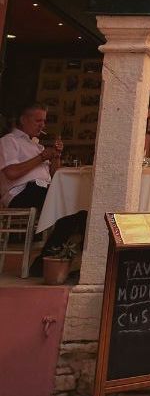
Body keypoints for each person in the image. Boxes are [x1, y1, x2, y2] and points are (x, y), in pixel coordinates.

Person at [0, 102, 86, 276]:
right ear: (24, 120)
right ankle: (46, 261)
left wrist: (55, 156)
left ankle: (55, 260)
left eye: (44, 121)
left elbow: (54, 175)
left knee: (80, 206)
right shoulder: (9, 141)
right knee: (69, 206)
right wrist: (41, 157)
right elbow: (11, 172)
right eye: (38, 120)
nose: (42, 125)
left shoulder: (37, 145)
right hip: (21, 192)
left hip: (43, 189)